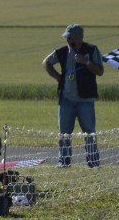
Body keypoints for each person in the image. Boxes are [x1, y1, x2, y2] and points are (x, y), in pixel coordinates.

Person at [42, 23, 104, 167]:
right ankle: (63, 162)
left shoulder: (92, 50)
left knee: (89, 133)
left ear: (80, 37)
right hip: (66, 100)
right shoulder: (62, 52)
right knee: (64, 134)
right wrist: (58, 77)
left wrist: (86, 61)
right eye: (67, 38)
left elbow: (100, 71)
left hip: (86, 100)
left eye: (71, 37)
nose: (68, 40)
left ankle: (93, 163)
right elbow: (46, 62)